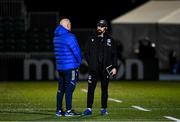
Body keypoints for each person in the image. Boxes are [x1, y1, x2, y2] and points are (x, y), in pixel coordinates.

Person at [82, 19, 118, 116]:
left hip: (105, 69)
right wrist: (91, 63)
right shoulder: (91, 38)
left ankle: (104, 109)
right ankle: (88, 109)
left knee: (104, 89)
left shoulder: (110, 39)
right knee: (90, 89)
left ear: (105, 28)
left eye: (101, 26)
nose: (99, 28)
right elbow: (86, 53)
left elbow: (114, 54)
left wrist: (114, 67)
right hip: (94, 69)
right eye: (98, 26)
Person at [53, 18, 82, 116]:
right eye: (70, 24)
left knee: (61, 89)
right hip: (70, 67)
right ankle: (69, 111)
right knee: (70, 89)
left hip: (61, 67)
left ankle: (59, 110)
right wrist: (79, 62)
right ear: (68, 25)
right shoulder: (70, 36)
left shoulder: (56, 37)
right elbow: (77, 51)